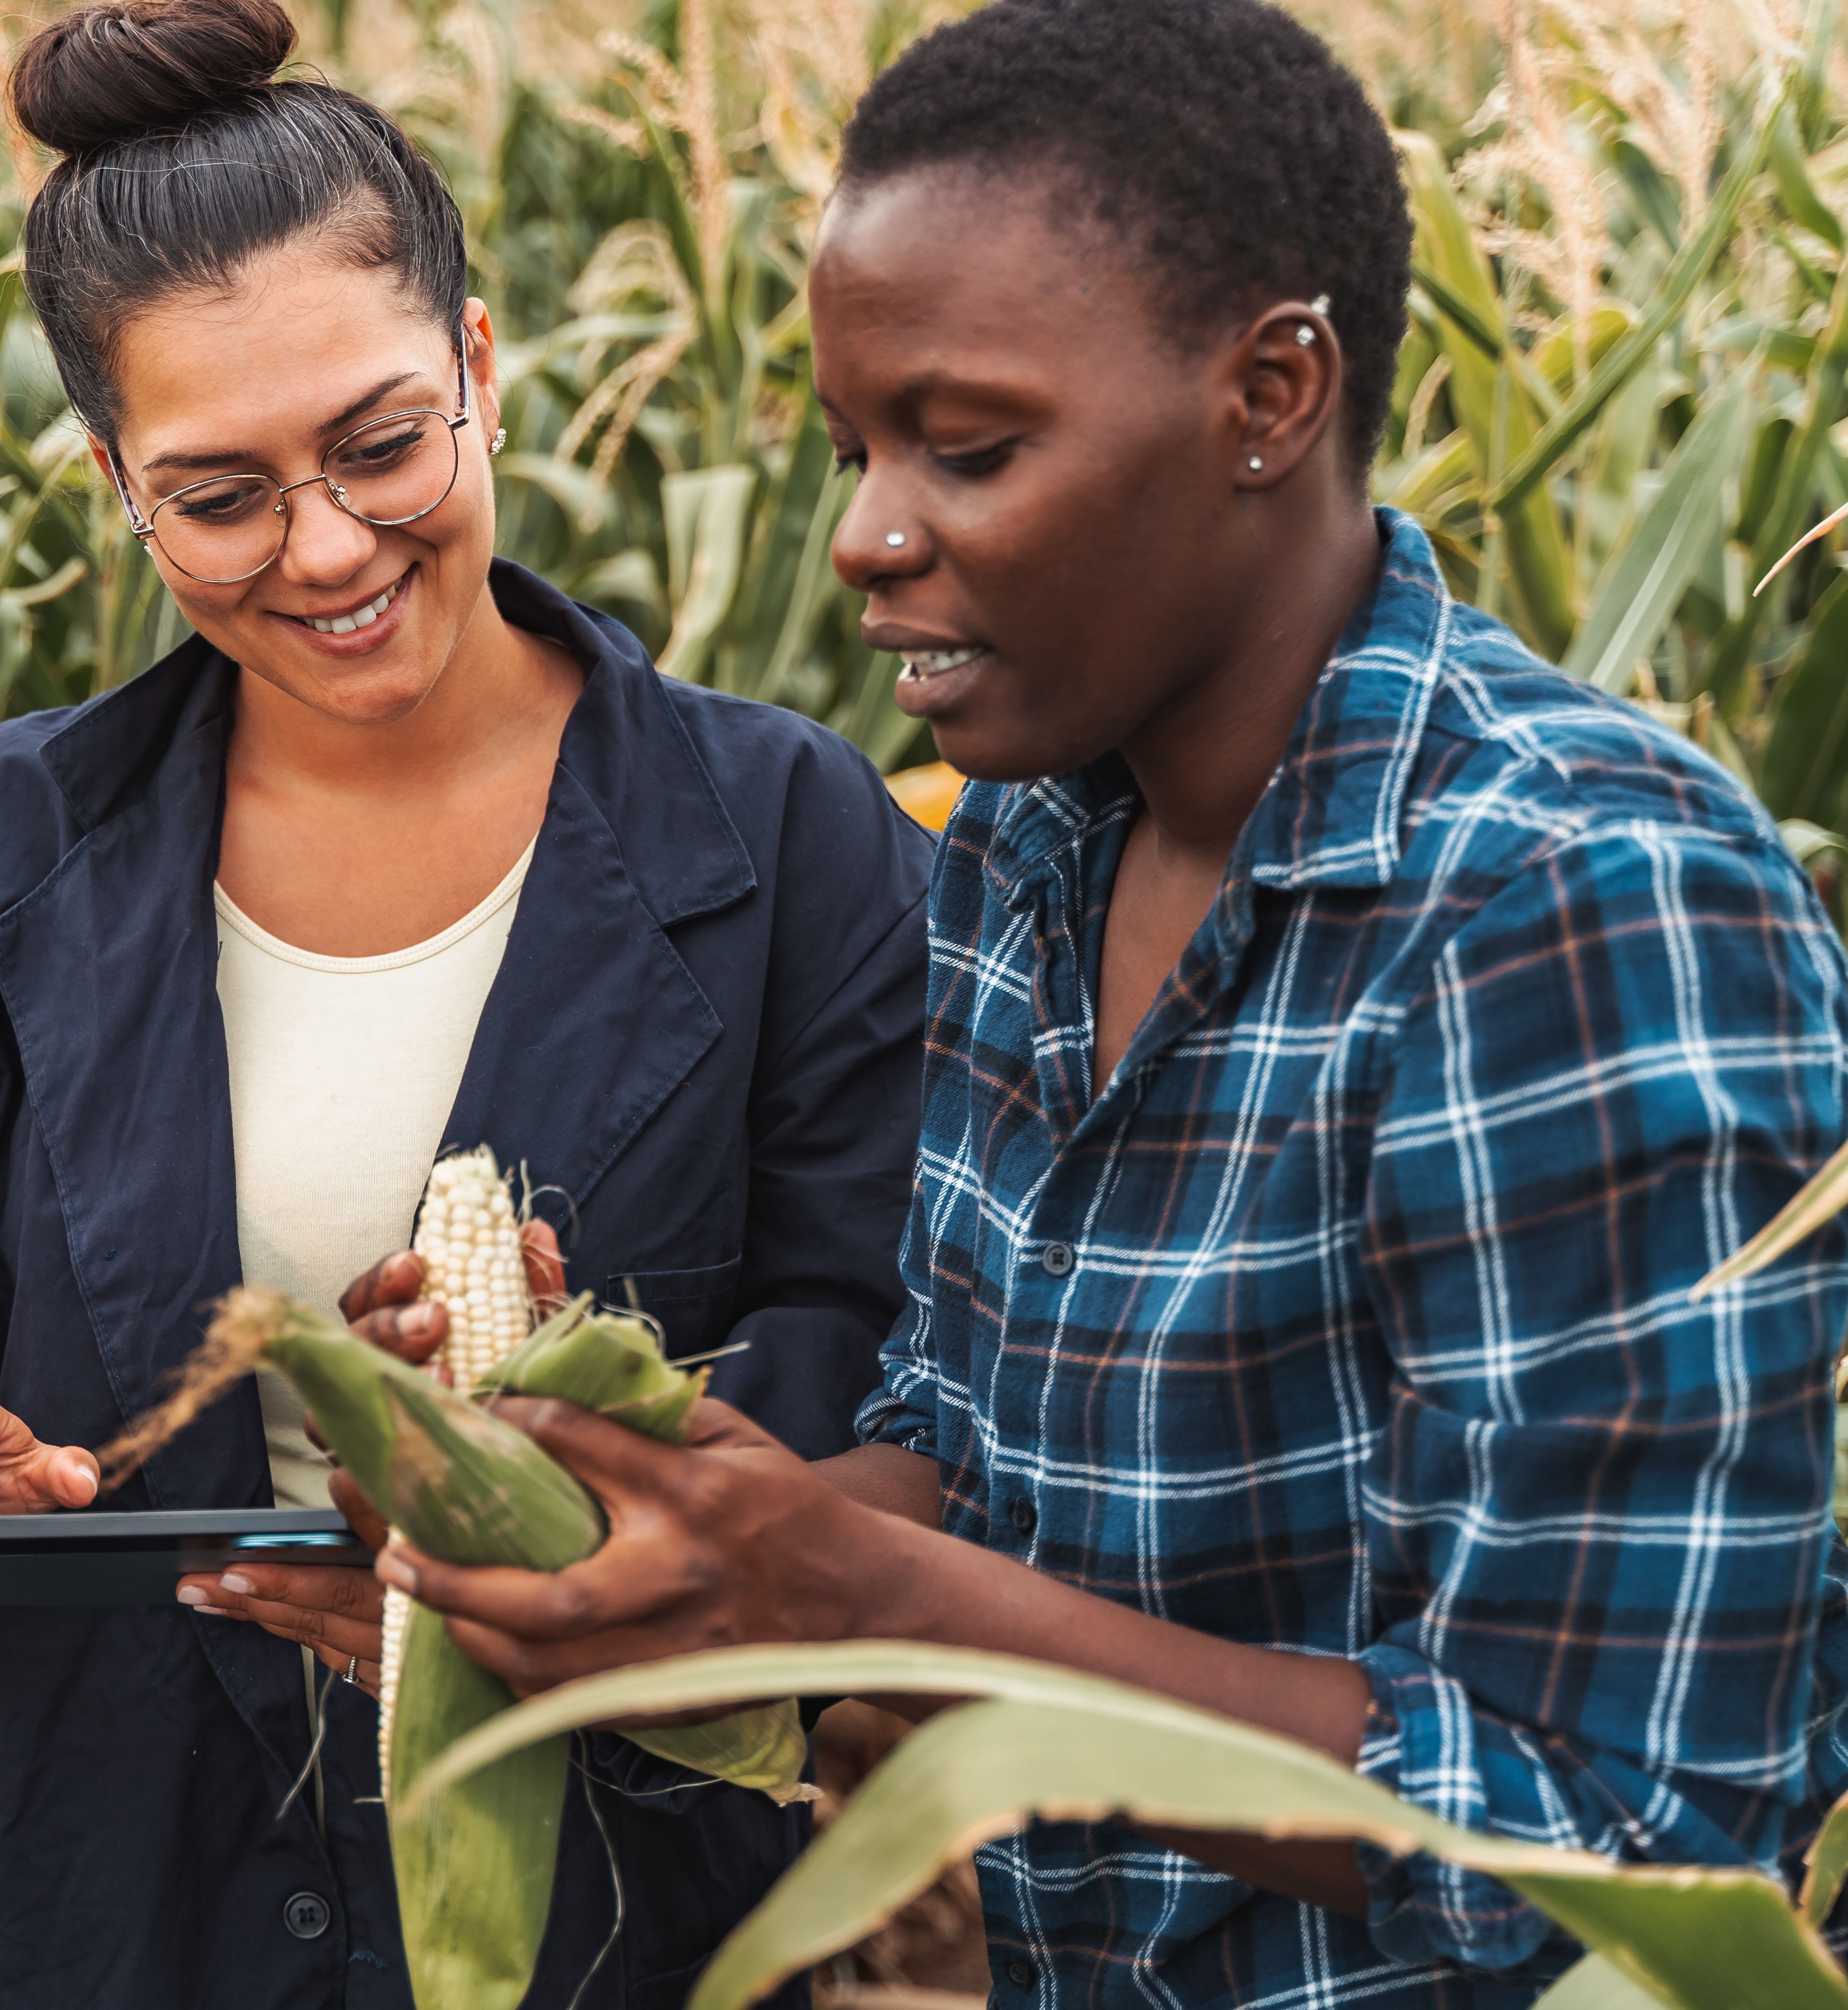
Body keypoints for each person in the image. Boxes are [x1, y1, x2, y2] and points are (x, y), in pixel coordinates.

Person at [367, 0, 1848, 2002]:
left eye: (966, 448)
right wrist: (629, 1526)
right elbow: (968, 1453)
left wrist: (866, 1595)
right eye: (856, 449)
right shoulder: (1022, 847)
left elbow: (1625, 1843)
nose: (867, 535)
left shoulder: (1575, 910)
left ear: (1270, 393)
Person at [0, 0, 934, 2000]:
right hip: (88, 1897)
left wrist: (583, 1431)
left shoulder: (792, 834)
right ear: (116, 481)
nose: (329, 547)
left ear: (481, 371)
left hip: (606, 1907)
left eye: (380, 444)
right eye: (221, 493)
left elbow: (880, 1327)